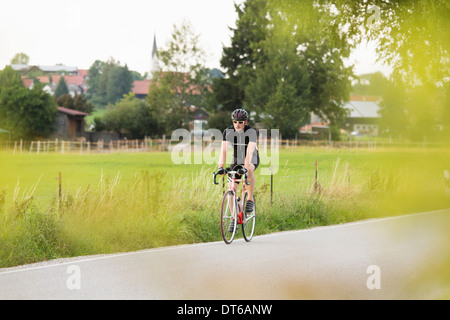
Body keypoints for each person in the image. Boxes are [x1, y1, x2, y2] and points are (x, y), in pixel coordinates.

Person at [217, 108, 259, 215]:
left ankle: (250, 199)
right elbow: (223, 151)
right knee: (230, 189)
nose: (237, 125)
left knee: (249, 170)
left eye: (240, 123)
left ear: (245, 122)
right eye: (235, 122)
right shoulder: (228, 132)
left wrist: (245, 167)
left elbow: (250, 151)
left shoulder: (251, 132)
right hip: (236, 159)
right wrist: (220, 167)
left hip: (251, 157)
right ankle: (234, 218)